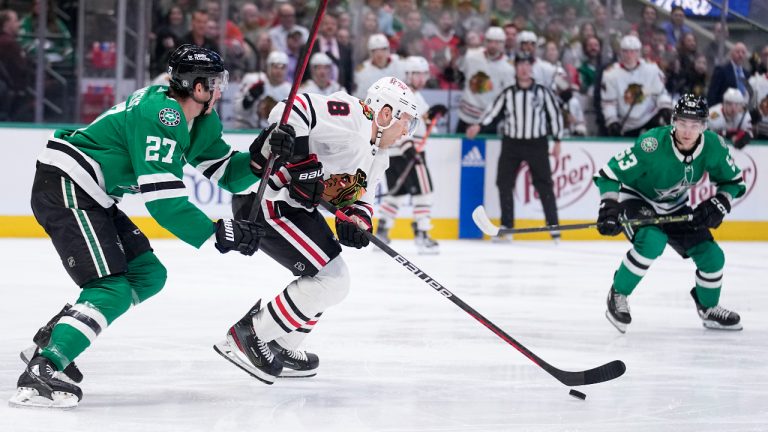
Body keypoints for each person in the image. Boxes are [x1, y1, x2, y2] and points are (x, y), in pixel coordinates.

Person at [9, 45, 273, 409]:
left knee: (147, 274)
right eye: (214, 83)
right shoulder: (161, 114)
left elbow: (227, 173)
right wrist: (215, 232)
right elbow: (163, 200)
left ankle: (57, 336)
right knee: (111, 287)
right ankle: (43, 369)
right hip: (67, 185)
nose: (219, 90)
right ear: (197, 87)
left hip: (92, 194)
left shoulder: (199, 119)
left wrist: (260, 158)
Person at [216, 77, 420, 384]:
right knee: (333, 280)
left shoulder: (379, 156)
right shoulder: (354, 116)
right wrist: (300, 165)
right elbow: (287, 110)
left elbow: (362, 201)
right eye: (407, 122)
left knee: (332, 276)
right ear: (386, 113)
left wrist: (357, 223)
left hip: (293, 209)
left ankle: (279, 344)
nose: (407, 131)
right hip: (266, 201)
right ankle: (250, 334)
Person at [595, 94, 745, 334]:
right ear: (673, 121)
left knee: (712, 256)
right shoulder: (652, 144)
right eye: (682, 123)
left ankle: (708, 308)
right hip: (638, 200)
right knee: (652, 241)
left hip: (676, 205)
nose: (688, 130)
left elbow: (733, 181)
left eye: (695, 125)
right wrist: (609, 206)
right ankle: (618, 293)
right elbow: (609, 174)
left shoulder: (714, 146)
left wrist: (721, 202)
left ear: (704, 126)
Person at [466, 52, 563, 242]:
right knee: (504, 182)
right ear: (516, 69)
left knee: (544, 185)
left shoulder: (543, 92)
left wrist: (558, 140)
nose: (524, 69)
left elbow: (555, 115)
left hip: (537, 143)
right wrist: (479, 125)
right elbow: (493, 112)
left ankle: (554, 227)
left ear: (532, 68)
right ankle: (507, 226)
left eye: (527, 65)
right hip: (512, 143)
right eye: (520, 65)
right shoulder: (509, 93)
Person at [376, 56, 446, 254]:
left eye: (424, 74)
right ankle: (422, 234)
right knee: (424, 192)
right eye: (418, 74)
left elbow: (421, 118)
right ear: (408, 74)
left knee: (396, 194)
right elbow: (403, 123)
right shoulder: (406, 95)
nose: (422, 78)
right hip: (409, 150)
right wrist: (409, 148)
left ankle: (382, 230)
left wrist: (432, 114)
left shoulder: (411, 94)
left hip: (396, 152)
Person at [600, 35, 672, 137]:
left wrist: (665, 107)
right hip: (627, 123)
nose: (629, 55)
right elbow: (609, 103)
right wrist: (612, 121)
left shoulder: (651, 69)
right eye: (626, 51)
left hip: (650, 116)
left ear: (639, 52)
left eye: (633, 51)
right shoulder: (610, 74)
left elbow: (660, 92)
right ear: (620, 52)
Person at [455, 26, 515, 133]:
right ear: (485, 42)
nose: (493, 45)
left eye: (497, 42)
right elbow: (456, 71)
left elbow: (507, 96)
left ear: (503, 44)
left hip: (488, 121)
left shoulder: (508, 68)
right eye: (490, 41)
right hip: (465, 116)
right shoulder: (471, 56)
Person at [234, 50, 291, 129]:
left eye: (282, 67)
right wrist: (249, 98)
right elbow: (237, 111)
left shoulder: (290, 90)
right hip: (249, 129)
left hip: (275, 133)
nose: (279, 71)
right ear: (268, 67)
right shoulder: (253, 80)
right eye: (275, 66)